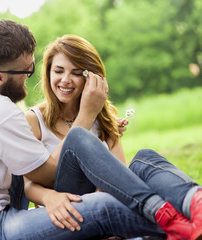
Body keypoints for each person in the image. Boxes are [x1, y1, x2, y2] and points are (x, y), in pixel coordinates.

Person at [0, 19, 189, 240]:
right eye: (27, 71)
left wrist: (99, 129)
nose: (30, 77)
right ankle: (180, 223)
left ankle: (189, 206)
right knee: (105, 207)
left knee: (145, 161)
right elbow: (49, 175)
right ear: (0, 77)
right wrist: (87, 117)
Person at [23, 34, 202, 240]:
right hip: (68, 210)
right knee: (78, 138)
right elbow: (27, 184)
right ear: (48, 73)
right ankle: (168, 218)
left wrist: (106, 133)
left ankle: (196, 203)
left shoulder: (104, 115)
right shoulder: (34, 120)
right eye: (58, 71)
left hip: (104, 208)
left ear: (91, 77)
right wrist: (49, 196)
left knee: (145, 158)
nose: (65, 80)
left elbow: (121, 179)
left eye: (76, 72)